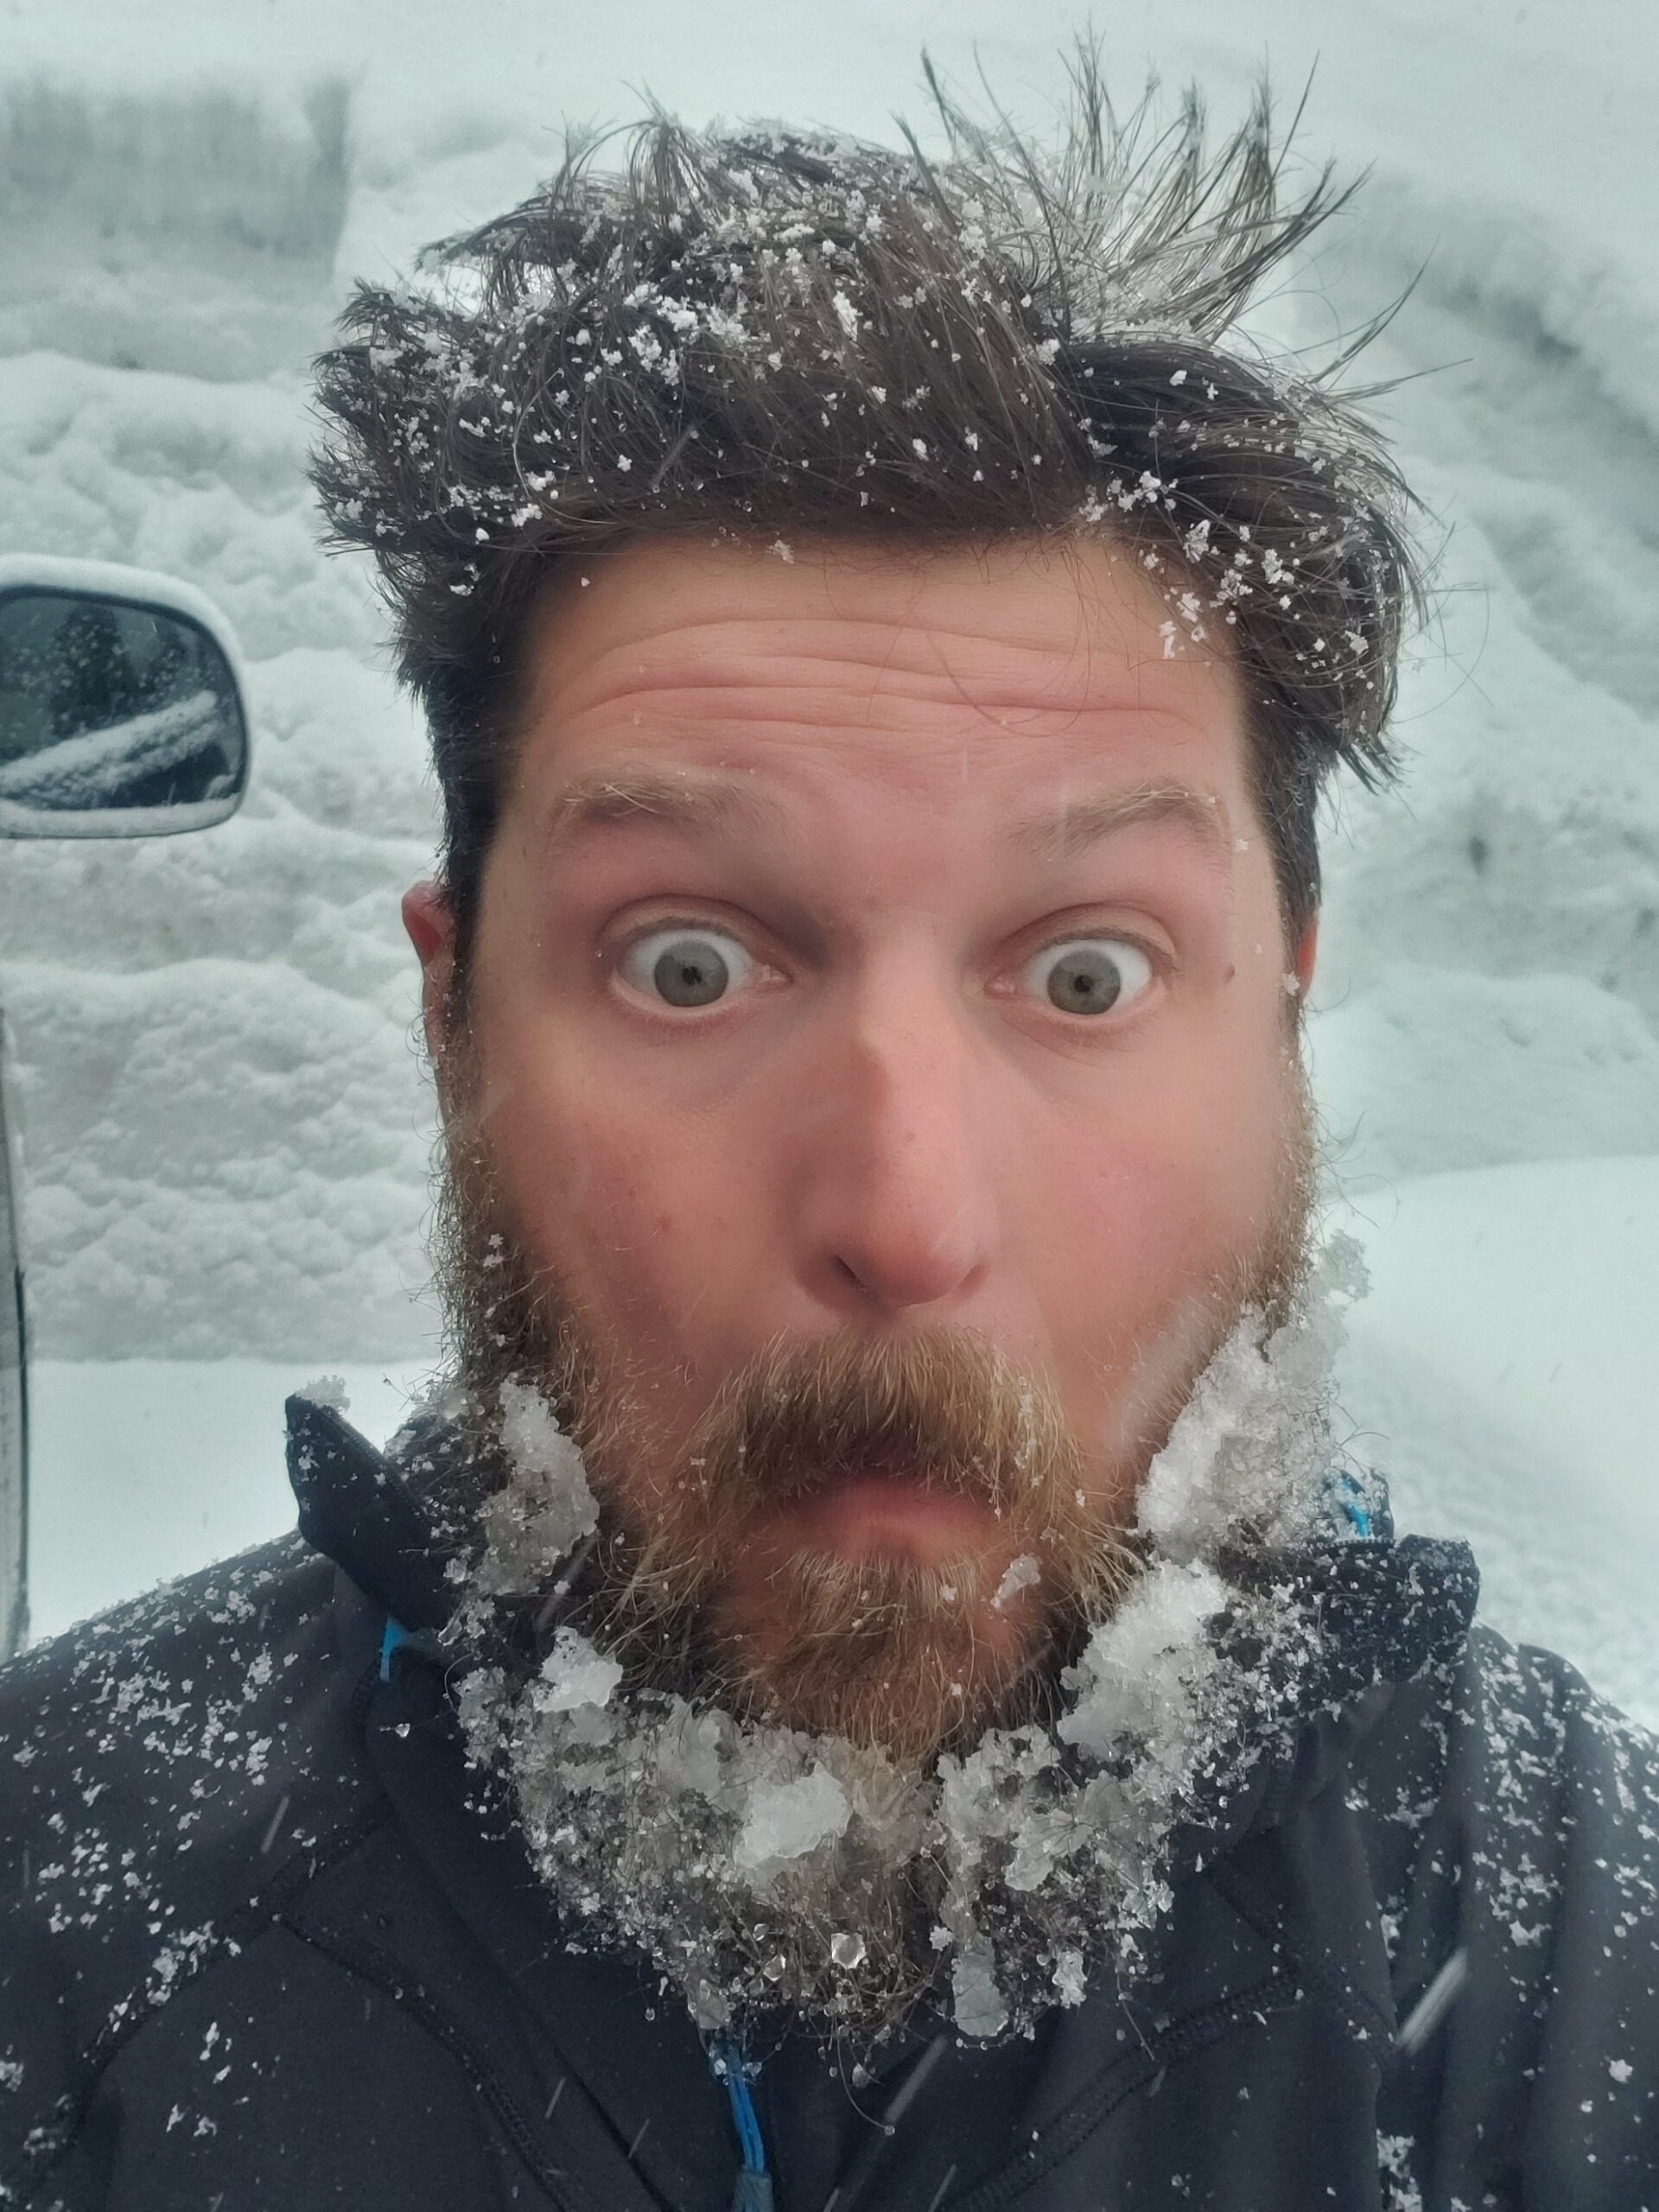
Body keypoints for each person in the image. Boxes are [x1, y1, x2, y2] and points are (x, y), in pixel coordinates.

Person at [2, 55, 1654, 2212]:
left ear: (1287, 1022)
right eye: (690, 963)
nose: (902, 1210)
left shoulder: (1578, 1961)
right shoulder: (56, 1914)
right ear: (451, 1014)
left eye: (1088, 974)